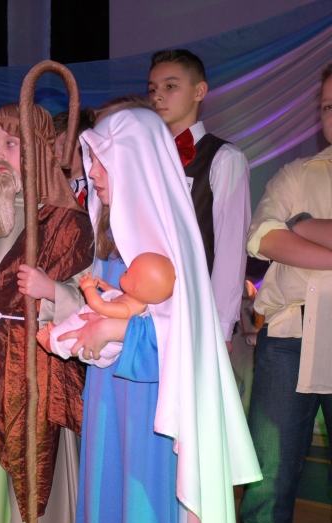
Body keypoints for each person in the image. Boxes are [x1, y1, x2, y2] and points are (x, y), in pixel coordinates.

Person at [58, 106, 260, 523]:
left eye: (102, 161)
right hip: (109, 391)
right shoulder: (113, 233)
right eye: (91, 160)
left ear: (135, 163)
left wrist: (113, 327)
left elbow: (183, 340)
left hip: (150, 404)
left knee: (143, 503)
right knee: (108, 494)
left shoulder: (168, 241)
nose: (91, 172)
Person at [0, 103, 94, 523]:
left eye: (11, 144)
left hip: (38, 358)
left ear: (39, 151)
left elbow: (87, 303)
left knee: (34, 461)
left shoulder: (68, 219)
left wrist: (51, 291)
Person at [239, 63, 332, 523]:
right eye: (328, 106)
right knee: (267, 485)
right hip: (288, 336)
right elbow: (262, 237)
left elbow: (285, 233)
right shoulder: (297, 173)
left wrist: (304, 226)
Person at [148, 49, 251, 354]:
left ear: (199, 91)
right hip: (140, 307)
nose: (157, 96)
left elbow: (231, 249)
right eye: (152, 89)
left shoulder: (223, 158)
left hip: (193, 313)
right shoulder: (144, 157)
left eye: (170, 86)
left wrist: (220, 327)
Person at [40, 253, 176, 366]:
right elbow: (119, 296)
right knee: (74, 324)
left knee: (72, 341)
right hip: (95, 327)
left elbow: (100, 306)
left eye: (127, 272)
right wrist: (108, 288)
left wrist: (88, 288)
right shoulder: (137, 302)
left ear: (134, 287)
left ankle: (50, 344)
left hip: (99, 344)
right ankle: (58, 331)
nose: (125, 271)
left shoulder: (126, 310)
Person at [52, 110, 94, 207]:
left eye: (65, 146)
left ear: (87, 148)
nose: (54, 154)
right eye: (50, 146)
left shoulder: (92, 197)